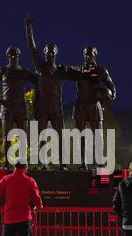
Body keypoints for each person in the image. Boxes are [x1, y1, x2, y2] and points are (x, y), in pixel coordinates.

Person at [25, 17, 81, 170]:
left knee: (61, 136)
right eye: (47, 52)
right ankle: (43, 163)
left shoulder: (61, 71)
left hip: (56, 109)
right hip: (42, 109)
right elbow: (32, 48)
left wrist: (85, 69)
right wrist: (28, 28)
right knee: (41, 137)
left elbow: (79, 75)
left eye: (52, 52)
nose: (50, 55)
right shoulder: (40, 67)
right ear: (45, 54)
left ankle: (62, 164)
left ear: (56, 54)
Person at [0, 46, 38, 169]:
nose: (13, 57)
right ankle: (6, 163)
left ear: (19, 56)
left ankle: (21, 162)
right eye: (11, 54)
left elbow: (38, 81)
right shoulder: (2, 70)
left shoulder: (23, 72)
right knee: (7, 137)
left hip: (21, 109)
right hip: (7, 109)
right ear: (8, 56)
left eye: (15, 54)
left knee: (23, 137)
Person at [72, 47, 117, 170]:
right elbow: (67, 71)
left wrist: (110, 95)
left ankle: (99, 160)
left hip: (94, 105)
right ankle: (83, 163)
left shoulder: (101, 71)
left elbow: (111, 86)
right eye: (85, 54)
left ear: (95, 55)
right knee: (80, 137)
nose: (87, 57)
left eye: (90, 54)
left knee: (98, 135)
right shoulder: (79, 70)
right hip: (80, 106)